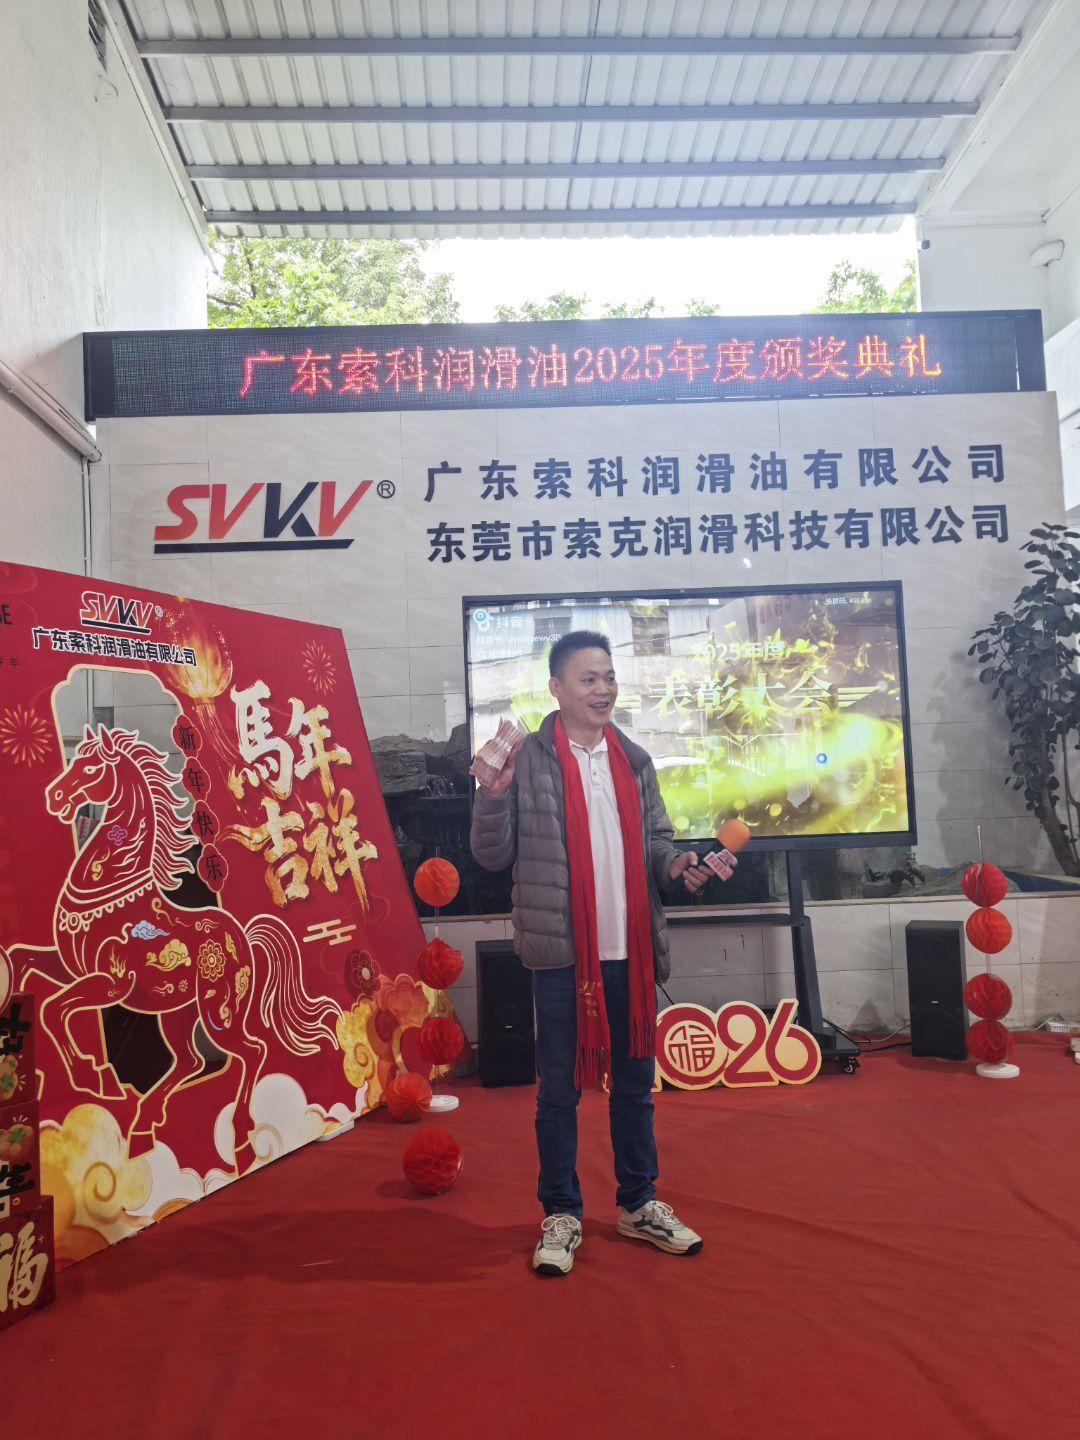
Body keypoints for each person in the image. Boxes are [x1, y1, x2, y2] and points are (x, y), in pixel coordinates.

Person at [470, 630, 724, 1276]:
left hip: (631, 953)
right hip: (563, 955)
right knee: (557, 1091)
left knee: (635, 1089)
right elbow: (491, 856)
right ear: (555, 687)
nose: (603, 689)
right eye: (588, 679)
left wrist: (678, 866)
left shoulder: (633, 760)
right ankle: (561, 1212)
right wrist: (491, 795)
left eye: (609, 677)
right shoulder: (528, 760)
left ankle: (639, 1203)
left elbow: (657, 844)